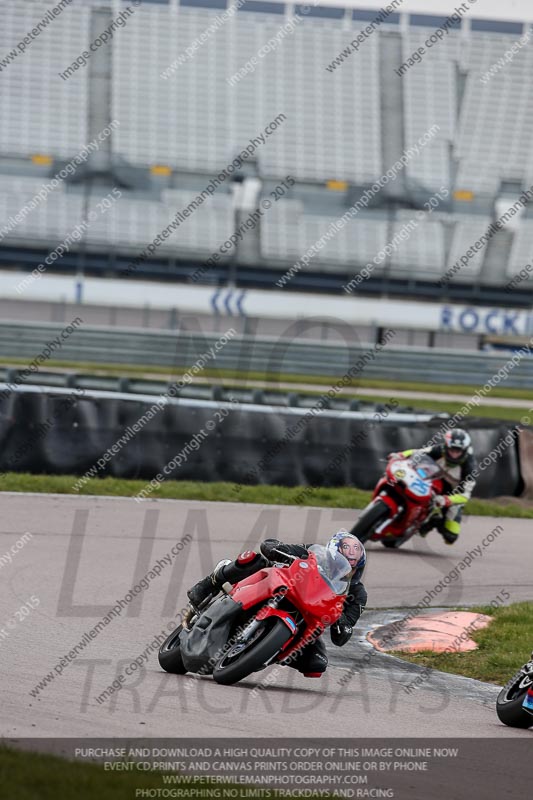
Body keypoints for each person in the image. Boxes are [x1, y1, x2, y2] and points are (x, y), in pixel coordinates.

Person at [186, 530, 367, 678]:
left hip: (308, 619)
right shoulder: (313, 554)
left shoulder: (357, 594)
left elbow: (343, 634)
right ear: (330, 554)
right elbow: (272, 546)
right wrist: (276, 548)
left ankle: (264, 651)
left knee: (317, 664)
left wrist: (341, 624)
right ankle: (211, 582)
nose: (345, 571)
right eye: (340, 563)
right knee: (253, 559)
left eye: (351, 568)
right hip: (281, 589)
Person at [391, 428, 475, 545]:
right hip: (432, 480)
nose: (454, 455)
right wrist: (399, 455)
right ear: (446, 446)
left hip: (452, 494)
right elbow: (418, 452)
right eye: (452, 450)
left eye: (458, 451)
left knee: (450, 537)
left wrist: (446, 500)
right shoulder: (438, 450)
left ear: (465, 451)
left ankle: (433, 522)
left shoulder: (469, 468)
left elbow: (465, 495)